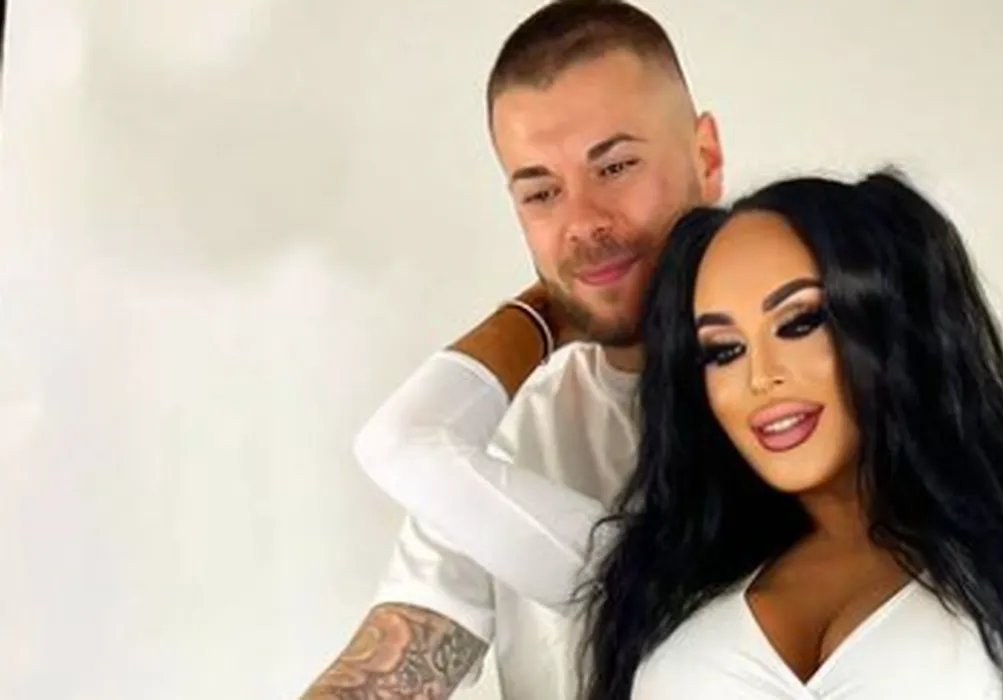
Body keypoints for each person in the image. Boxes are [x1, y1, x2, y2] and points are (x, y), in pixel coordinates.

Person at [361, 168, 1003, 699]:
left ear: (890, 323)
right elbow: (406, 443)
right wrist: (555, 305)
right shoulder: (648, 576)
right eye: (722, 349)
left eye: (800, 322)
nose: (760, 378)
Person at [300, 1, 724, 698]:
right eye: (542, 193)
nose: (582, 223)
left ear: (705, 158)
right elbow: (385, 673)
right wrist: (544, 313)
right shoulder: (511, 428)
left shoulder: (814, 398)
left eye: (616, 166)